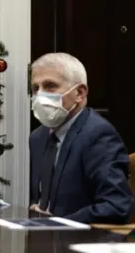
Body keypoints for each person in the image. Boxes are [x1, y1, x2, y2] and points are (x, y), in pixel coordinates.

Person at [29, 53, 133, 224]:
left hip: (80, 242)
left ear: (79, 93)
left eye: (50, 86)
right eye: (35, 88)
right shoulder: (37, 138)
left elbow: (116, 206)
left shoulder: (98, 135)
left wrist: (57, 224)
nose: (40, 96)